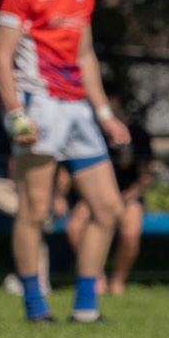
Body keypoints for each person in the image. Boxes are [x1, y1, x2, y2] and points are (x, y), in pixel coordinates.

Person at [0, 0, 131, 324]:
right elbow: (1, 56)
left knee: (108, 208)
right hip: (40, 106)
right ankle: (35, 305)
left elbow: (85, 55)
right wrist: (15, 113)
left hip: (78, 110)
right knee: (35, 210)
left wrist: (105, 112)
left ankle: (86, 306)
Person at [66, 106, 153, 294]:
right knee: (75, 225)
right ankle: (94, 277)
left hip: (126, 198)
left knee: (130, 229)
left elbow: (145, 177)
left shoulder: (137, 134)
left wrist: (126, 197)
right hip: (94, 198)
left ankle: (117, 283)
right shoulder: (86, 132)